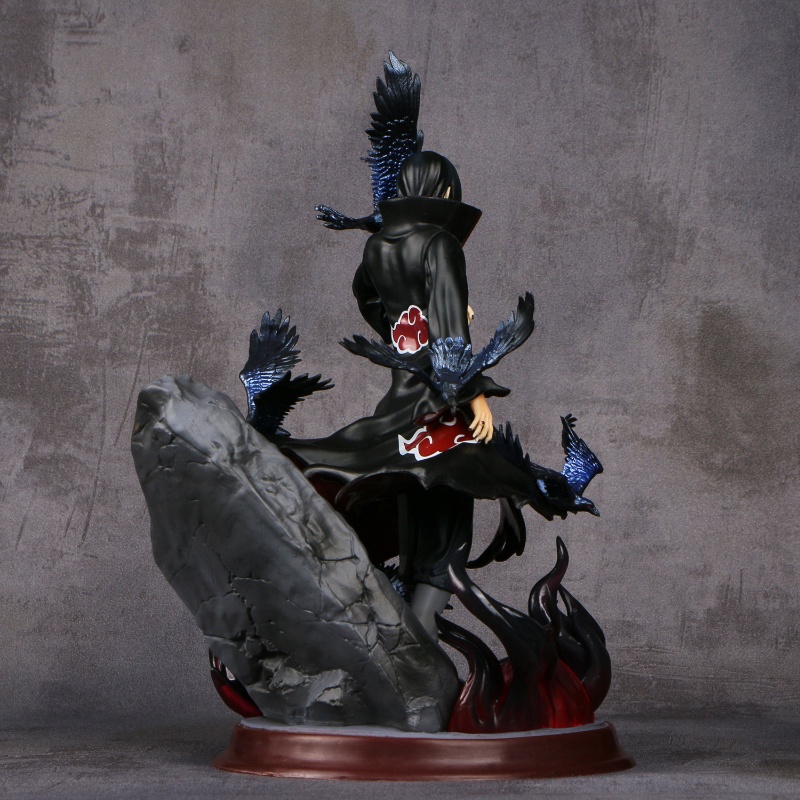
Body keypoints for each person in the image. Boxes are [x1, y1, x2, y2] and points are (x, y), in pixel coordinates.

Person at [283, 152, 539, 637]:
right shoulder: (441, 243)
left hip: (402, 404)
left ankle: (399, 637)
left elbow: (369, 297)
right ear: (445, 191)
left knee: (413, 528)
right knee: (446, 539)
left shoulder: (378, 246)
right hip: (442, 410)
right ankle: (421, 646)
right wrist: (475, 396)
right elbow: (449, 329)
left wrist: (405, 331)